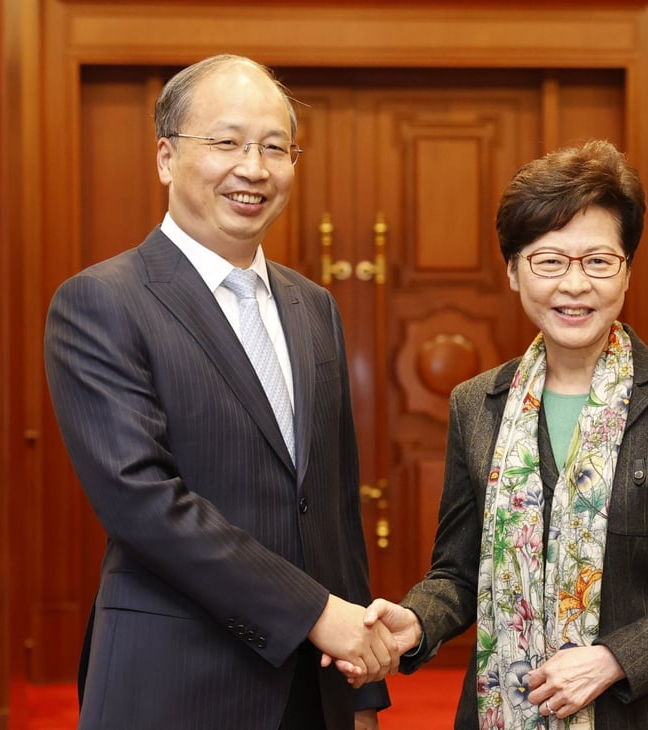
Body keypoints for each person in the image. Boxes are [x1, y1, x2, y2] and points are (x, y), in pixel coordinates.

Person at [44, 54, 398, 730]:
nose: (254, 168)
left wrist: (359, 693)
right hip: (176, 682)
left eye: (275, 147)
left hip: (313, 687)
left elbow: (331, 506)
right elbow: (143, 503)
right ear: (166, 158)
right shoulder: (102, 301)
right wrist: (316, 613)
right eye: (227, 142)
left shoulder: (313, 306)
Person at [364, 140, 648, 728]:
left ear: (627, 271)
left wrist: (615, 659)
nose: (574, 285)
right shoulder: (477, 405)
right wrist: (418, 621)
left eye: (598, 261)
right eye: (549, 261)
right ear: (512, 271)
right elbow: (459, 572)